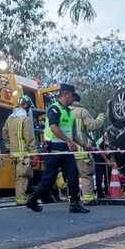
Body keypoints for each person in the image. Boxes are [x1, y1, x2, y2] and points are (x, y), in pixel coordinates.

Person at [25, 83, 89, 214]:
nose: (73, 100)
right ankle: (32, 200)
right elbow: (53, 127)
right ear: (65, 94)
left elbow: (74, 134)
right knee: (49, 180)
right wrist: (69, 141)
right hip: (54, 150)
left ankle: (75, 204)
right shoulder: (54, 109)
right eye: (72, 96)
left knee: (73, 176)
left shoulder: (70, 113)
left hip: (66, 150)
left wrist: (84, 145)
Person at [70, 93, 105, 205]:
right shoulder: (81, 111)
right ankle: (88, 198)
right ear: (78, 101)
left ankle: (74, 199)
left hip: (68, 151)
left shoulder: (64, 112)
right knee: (86, 175)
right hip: (81, 150)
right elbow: (93, 125)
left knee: (72, 177)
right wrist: (101, 116)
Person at [2, 95, 37, 205]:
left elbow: (4, 133)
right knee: (23, 176)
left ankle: (21, 198)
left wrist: (8, 148)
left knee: (19, 175)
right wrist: (34, 153)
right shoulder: (26, 119)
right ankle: (21, 199)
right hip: (24, 153)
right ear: (25, 105)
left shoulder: (10, 118)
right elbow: (30, 138)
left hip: (14, 153)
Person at [94, 133, 112, 199]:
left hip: (107, 157)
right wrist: (106, 159)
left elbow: (112, 150)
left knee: (108, 174)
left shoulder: (114, 139)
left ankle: (107, 191)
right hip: (99, 157)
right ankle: (99, 193)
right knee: (99, 175)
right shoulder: (102, 139)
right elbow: (99, 150)